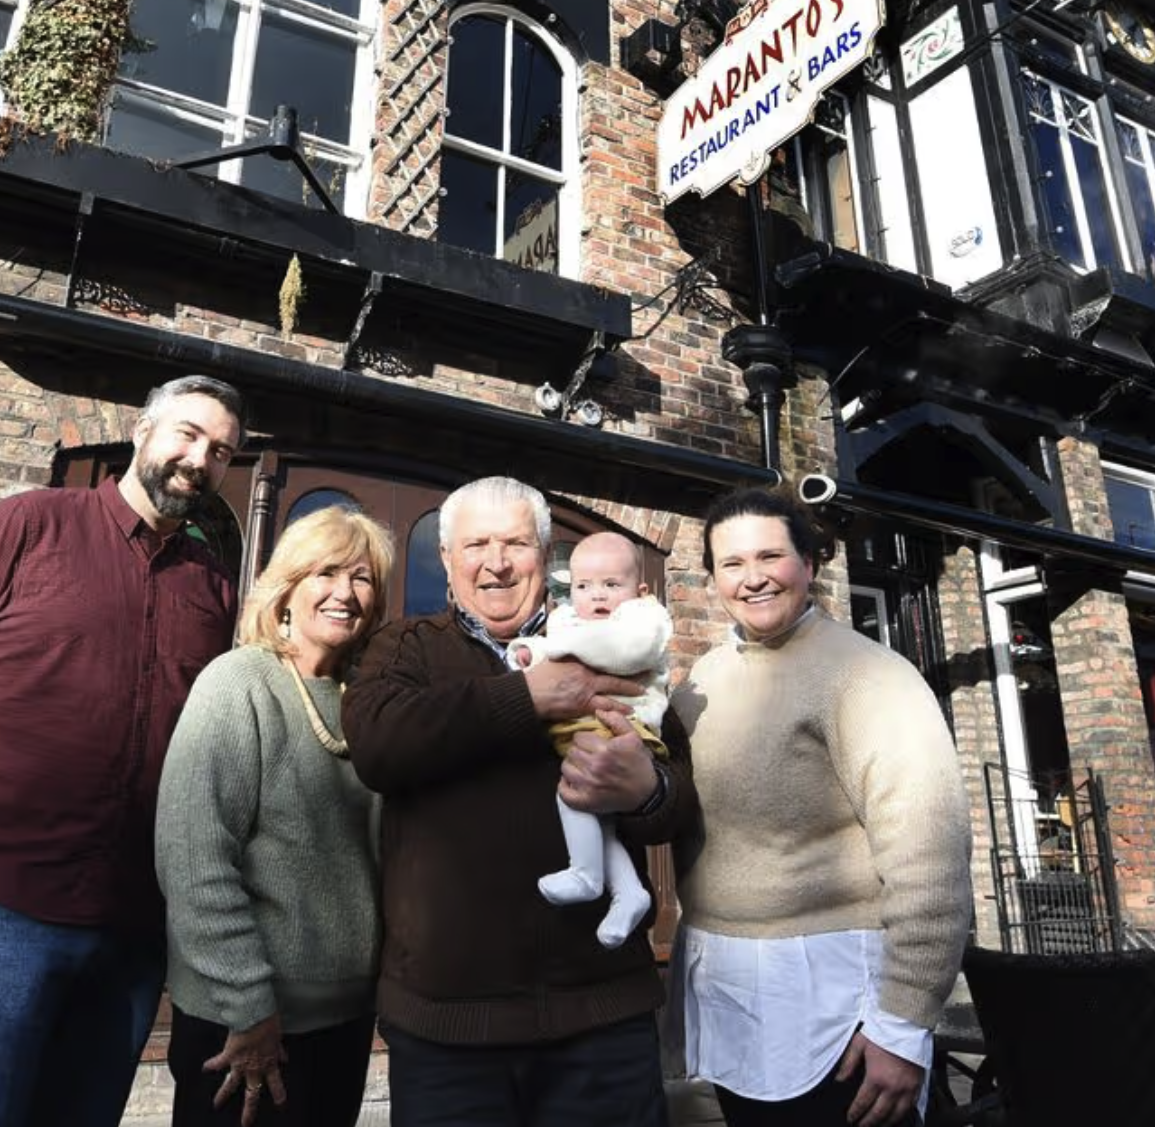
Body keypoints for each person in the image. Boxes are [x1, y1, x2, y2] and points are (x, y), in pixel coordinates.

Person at [0, 375, 247, 1127]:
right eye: (186, 433)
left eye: (221, 451)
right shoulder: (29, 525)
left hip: (133, 929)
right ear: (141, 432)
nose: (199, 459)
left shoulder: (212, 586)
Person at [343, 476, 697, 1127]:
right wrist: (529, 698)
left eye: (514, 543)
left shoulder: (609, 642)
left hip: (602, 1020)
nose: (496, 561)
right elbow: (378, 747)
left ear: (544, 554)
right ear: (448, 561)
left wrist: (646, 790)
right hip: (449, 1028)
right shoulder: (406, 647)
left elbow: (680, 800)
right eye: (475, 544)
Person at [673, 487, 973, 1127]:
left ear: (809, 563)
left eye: (770, 557)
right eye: (731, 564)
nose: (752, 578)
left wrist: (903, 1023)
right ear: (712, 578)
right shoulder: (702, 680)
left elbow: (929, 854)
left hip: (838, 1003)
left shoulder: (868, 675)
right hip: (729, 987)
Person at [156, 504, 394, 1127]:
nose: (345, 593)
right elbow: (194, 858)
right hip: (245, 1025)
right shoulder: (239, 683)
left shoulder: (366, 703)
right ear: (286, 587)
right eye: (326, 573)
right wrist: (248, 1004)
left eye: (363, 578)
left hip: (344, 1022)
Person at [511, 532, 673, 948]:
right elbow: (551, 653)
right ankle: (628, 892)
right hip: (586, 725)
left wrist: (556, 647)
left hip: (620, 723)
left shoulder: (642, 620)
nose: (596, 597)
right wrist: (529, 653)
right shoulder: (573, 621)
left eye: (610, 585)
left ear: (639, 590)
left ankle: (586, 874)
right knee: (598, 820)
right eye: (584, 586)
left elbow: (621, 652)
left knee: (573, 795)